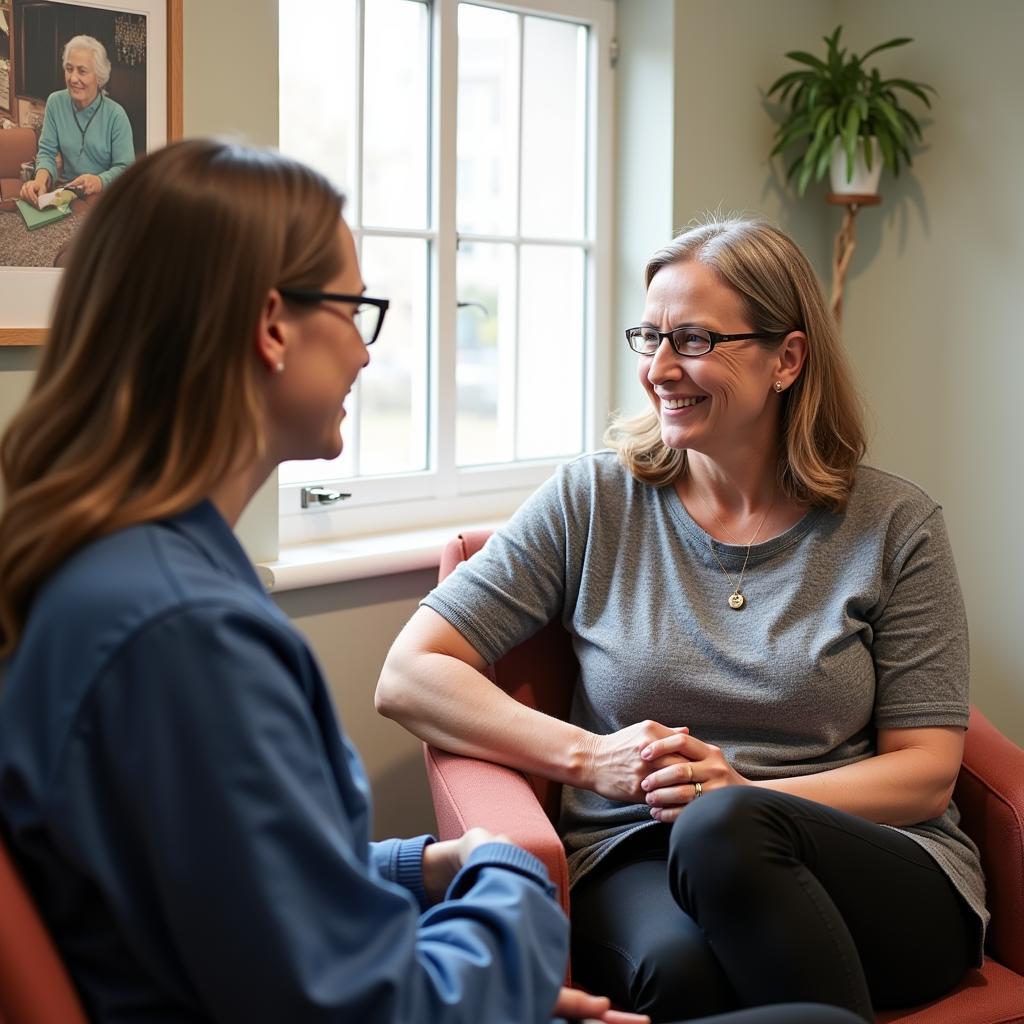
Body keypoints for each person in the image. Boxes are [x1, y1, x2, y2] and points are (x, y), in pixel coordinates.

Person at [375, 218, 986, 1023]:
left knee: (726, 827)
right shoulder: (594, 501)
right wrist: (593, 759)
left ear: (788, 359)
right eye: (651, 336)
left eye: (694, 339)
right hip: (638, 851)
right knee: (681, 974)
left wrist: (752, 795)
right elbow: (408, 675)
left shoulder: (895, 524)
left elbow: (927, 771)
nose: (659, 369)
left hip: (873, 865)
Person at [19, 34, 134, 206]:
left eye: (82, 71)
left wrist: (98, 181)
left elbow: (126, 168)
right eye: (69, 68)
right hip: (64, 193)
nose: (73, 78)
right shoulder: (55, 102)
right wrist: (40, 180)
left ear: (99, 77)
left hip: (102, 198)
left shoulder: (116, 115)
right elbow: (47, 152)